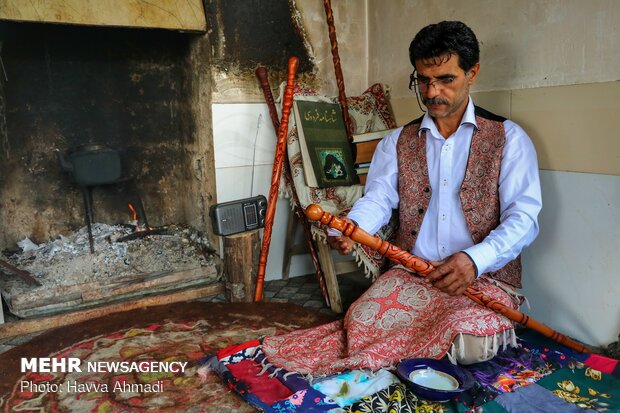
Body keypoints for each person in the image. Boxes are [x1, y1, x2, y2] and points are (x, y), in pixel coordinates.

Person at [263, 20, 542, 375]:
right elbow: (379, 198)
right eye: (423, 80)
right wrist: (354, 227)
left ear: (472, 73)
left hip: (481, 278)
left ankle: (407, 347)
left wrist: (474, 260)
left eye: (445, 79)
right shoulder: (397, 141)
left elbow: (524, 219)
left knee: (471, 344)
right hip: (411, 274)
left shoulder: (509, 139)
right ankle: (414, 350)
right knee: (359, 319)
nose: (431, 92)